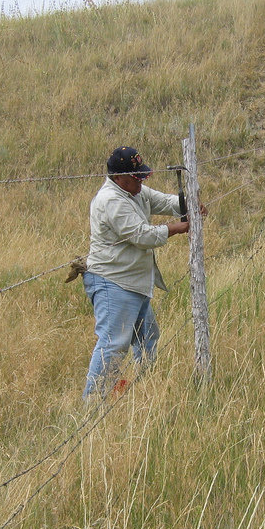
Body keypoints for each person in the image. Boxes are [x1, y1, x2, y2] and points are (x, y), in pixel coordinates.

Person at [81, 146, 192, 399]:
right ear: (118, 178)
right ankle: (94, 402)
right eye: (135, 178)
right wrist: (175, 228)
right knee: (113, 344)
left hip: (133, 282)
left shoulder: (133, 191)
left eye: (142, 177)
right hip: (113, 282)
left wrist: (189, 204)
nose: (140, 183)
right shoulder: (111, 200)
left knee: (148, 336)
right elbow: (141, 235)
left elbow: (162, 201)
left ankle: (142, 390)